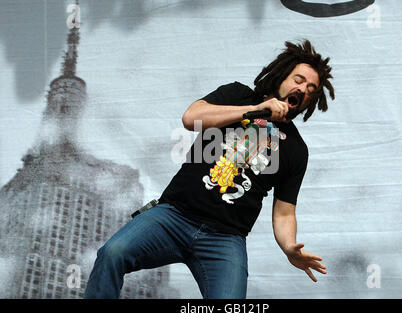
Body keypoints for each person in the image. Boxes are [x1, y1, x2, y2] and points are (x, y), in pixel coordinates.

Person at [84, 39, 335, 299]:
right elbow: (191, 118)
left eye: (310, 88)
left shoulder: (296, 149)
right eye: (298, 79)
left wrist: (289, 247)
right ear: (282, 76)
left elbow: (284, 213)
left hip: (225, 239)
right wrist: (258, 110)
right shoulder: (237, 95)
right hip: (174, 216)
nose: (302, 88)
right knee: (112, 252)